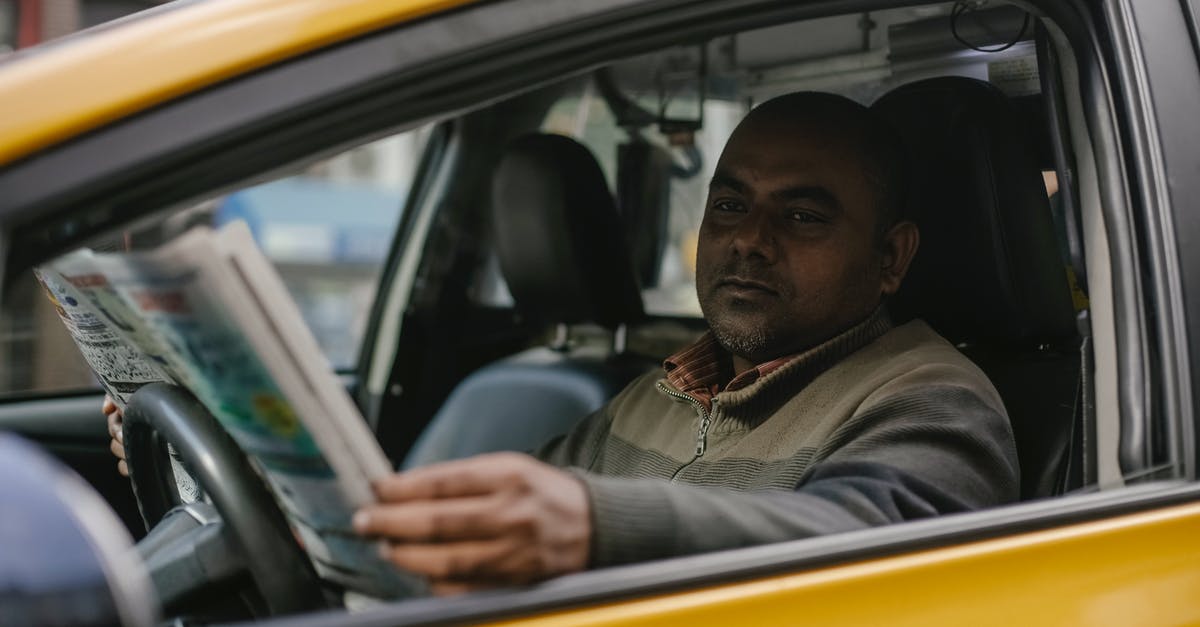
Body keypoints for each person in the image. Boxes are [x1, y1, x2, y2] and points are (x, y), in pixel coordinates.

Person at [106, 92, 1019, 596]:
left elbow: (872, 549)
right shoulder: (664, 388)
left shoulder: (932, 395)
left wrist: (590, 525)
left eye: (804, 214)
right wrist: (248, 467)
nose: (750, 239)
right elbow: (473, 529)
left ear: (892, 257)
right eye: (732, 202)